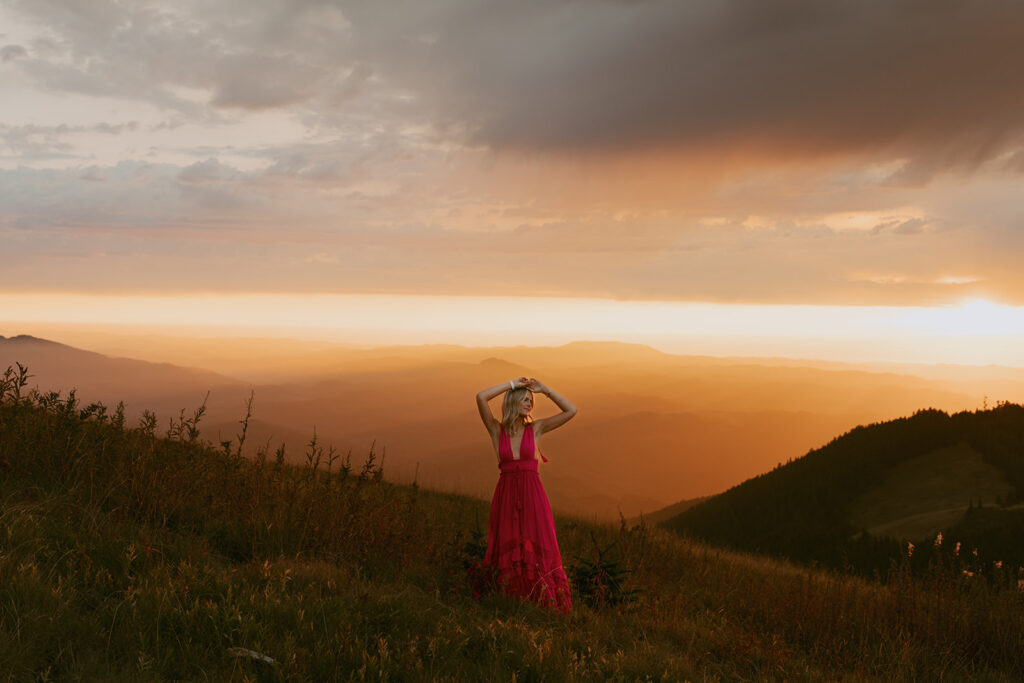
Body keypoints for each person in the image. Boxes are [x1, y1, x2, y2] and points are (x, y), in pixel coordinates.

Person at [472, 376, 576, 612]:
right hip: (507, 496)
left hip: (534, 497)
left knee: (538, 543)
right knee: (508, 545)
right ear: (514, 400)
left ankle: (542, 601)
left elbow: (571, 410)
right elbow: (481, 397)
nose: (530, 403)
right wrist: (511, 384)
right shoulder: (496, 430)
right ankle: (511, 599)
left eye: (532, 400)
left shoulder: (535, 428)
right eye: (525, 399)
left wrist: (545, 389)